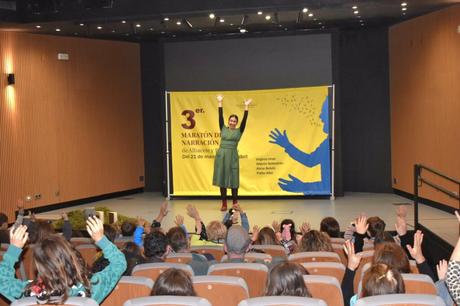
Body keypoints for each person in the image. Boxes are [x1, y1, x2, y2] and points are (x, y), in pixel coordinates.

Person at [0, 216, 127, 304]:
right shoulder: (91, 288)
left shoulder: (26, 292)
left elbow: (2, 281)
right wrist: (101, 239)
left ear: (39, 265)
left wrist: (13, 250)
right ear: (70, 258)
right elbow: (120, 262)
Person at [213, 94, 252, 211]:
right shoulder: (223, 128)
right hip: (222, 156)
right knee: (222, 178)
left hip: (233, 155)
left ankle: (235, 203)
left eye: (234, 121)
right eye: (231, 120)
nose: (232, 122)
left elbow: (244, 121)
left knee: (234, 179)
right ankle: (224, 203)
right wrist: (220, 102)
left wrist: (246, 107)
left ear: (236, 123)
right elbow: (220, 116)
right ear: (228, 121)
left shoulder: (239, 131)